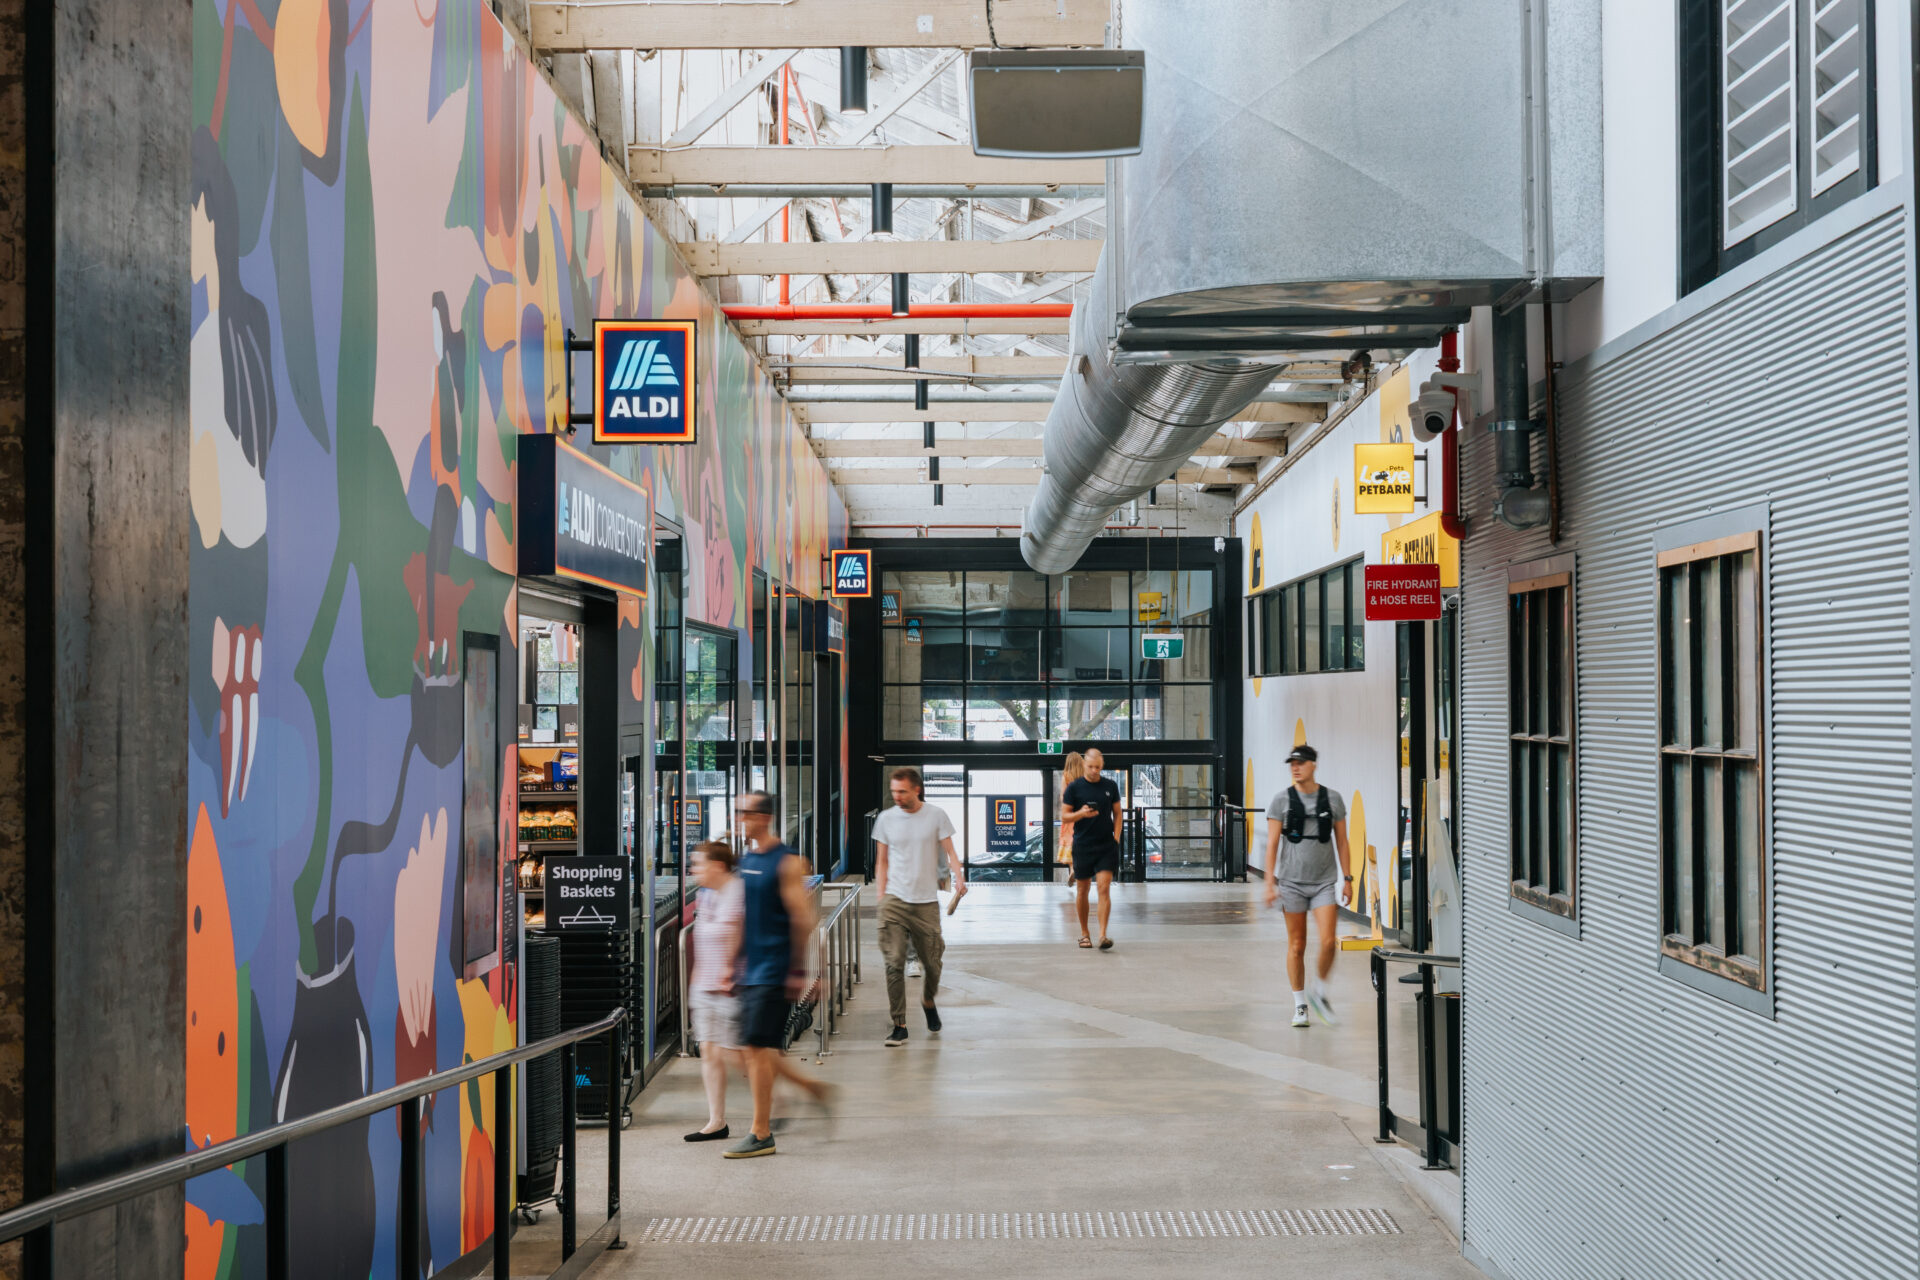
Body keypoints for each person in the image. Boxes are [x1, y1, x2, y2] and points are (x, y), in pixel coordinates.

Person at [725, 791, 833, 1158]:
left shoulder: (786, 862)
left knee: (757, 1049)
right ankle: (811, 1089)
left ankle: (761, 1132)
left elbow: (802, 919)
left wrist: (800, 972)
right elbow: (745, 915)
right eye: (737, 812)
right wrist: (732, 962)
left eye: (745, 812)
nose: (739, 819)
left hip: (774, 969)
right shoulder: (749, 860)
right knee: (756, 1049)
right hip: (752, 969)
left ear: (764, 817)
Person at [872, 765, 966, 1047]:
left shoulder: (936, 815)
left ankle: (928, 1000)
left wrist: (959, 878)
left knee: (933, 963)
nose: (897, 797)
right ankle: (899, 1025)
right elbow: (882, 861)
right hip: (894, 900)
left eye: (902, 792)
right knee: (894, 963)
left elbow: (950, 852)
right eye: (894, 792)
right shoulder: (886, 819)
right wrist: (881, 897)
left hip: (925, 903)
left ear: (917, 789)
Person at [1262, 745, 1352, 1027]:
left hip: (1324, 882)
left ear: (1313, 765)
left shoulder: (1333, 799)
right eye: (1292, 763)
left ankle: (1319, 992)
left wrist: (1348, 879)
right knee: (1297, 945)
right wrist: (1269, 883)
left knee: (1328, 941)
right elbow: (1272, 844)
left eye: (1300, 763)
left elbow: (1342, 841)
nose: (1295, 767)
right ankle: (1300, 1005)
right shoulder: (1281, 800)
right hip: (1292, 883)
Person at [685, 840, 743, 1142]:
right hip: (705, 986)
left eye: (699, 864)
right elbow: (703, 938)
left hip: (730, 987)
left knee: (737, 1056)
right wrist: (696, 980)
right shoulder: (705, 895)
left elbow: (737, 936)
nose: (693, 870)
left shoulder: (738, 892)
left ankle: (780, 1094)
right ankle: (716, 1121)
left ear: (718, 866)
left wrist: (730, 973)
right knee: (709, 1051)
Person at [1062, 747, 1123, 950]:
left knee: (1104, 888)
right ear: (1084, 765)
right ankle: (1085, 934)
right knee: (1083, 889)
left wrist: (1116, 838)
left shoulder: (1110, 786)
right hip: (1083, 845)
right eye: (1090, 767)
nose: (1094, 770)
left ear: (1102, 765)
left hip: (1106, 845)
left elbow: (1118, 813)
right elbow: (1064, 816)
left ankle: (1103, 935)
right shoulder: (1074, 788)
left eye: (1097, 767)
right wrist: (1080, 814)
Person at [1058, 752, 1086, 885]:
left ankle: (1073, 869)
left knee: (1070, 842)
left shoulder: (1066, 776)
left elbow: (1063, 797)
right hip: (1083, 814)